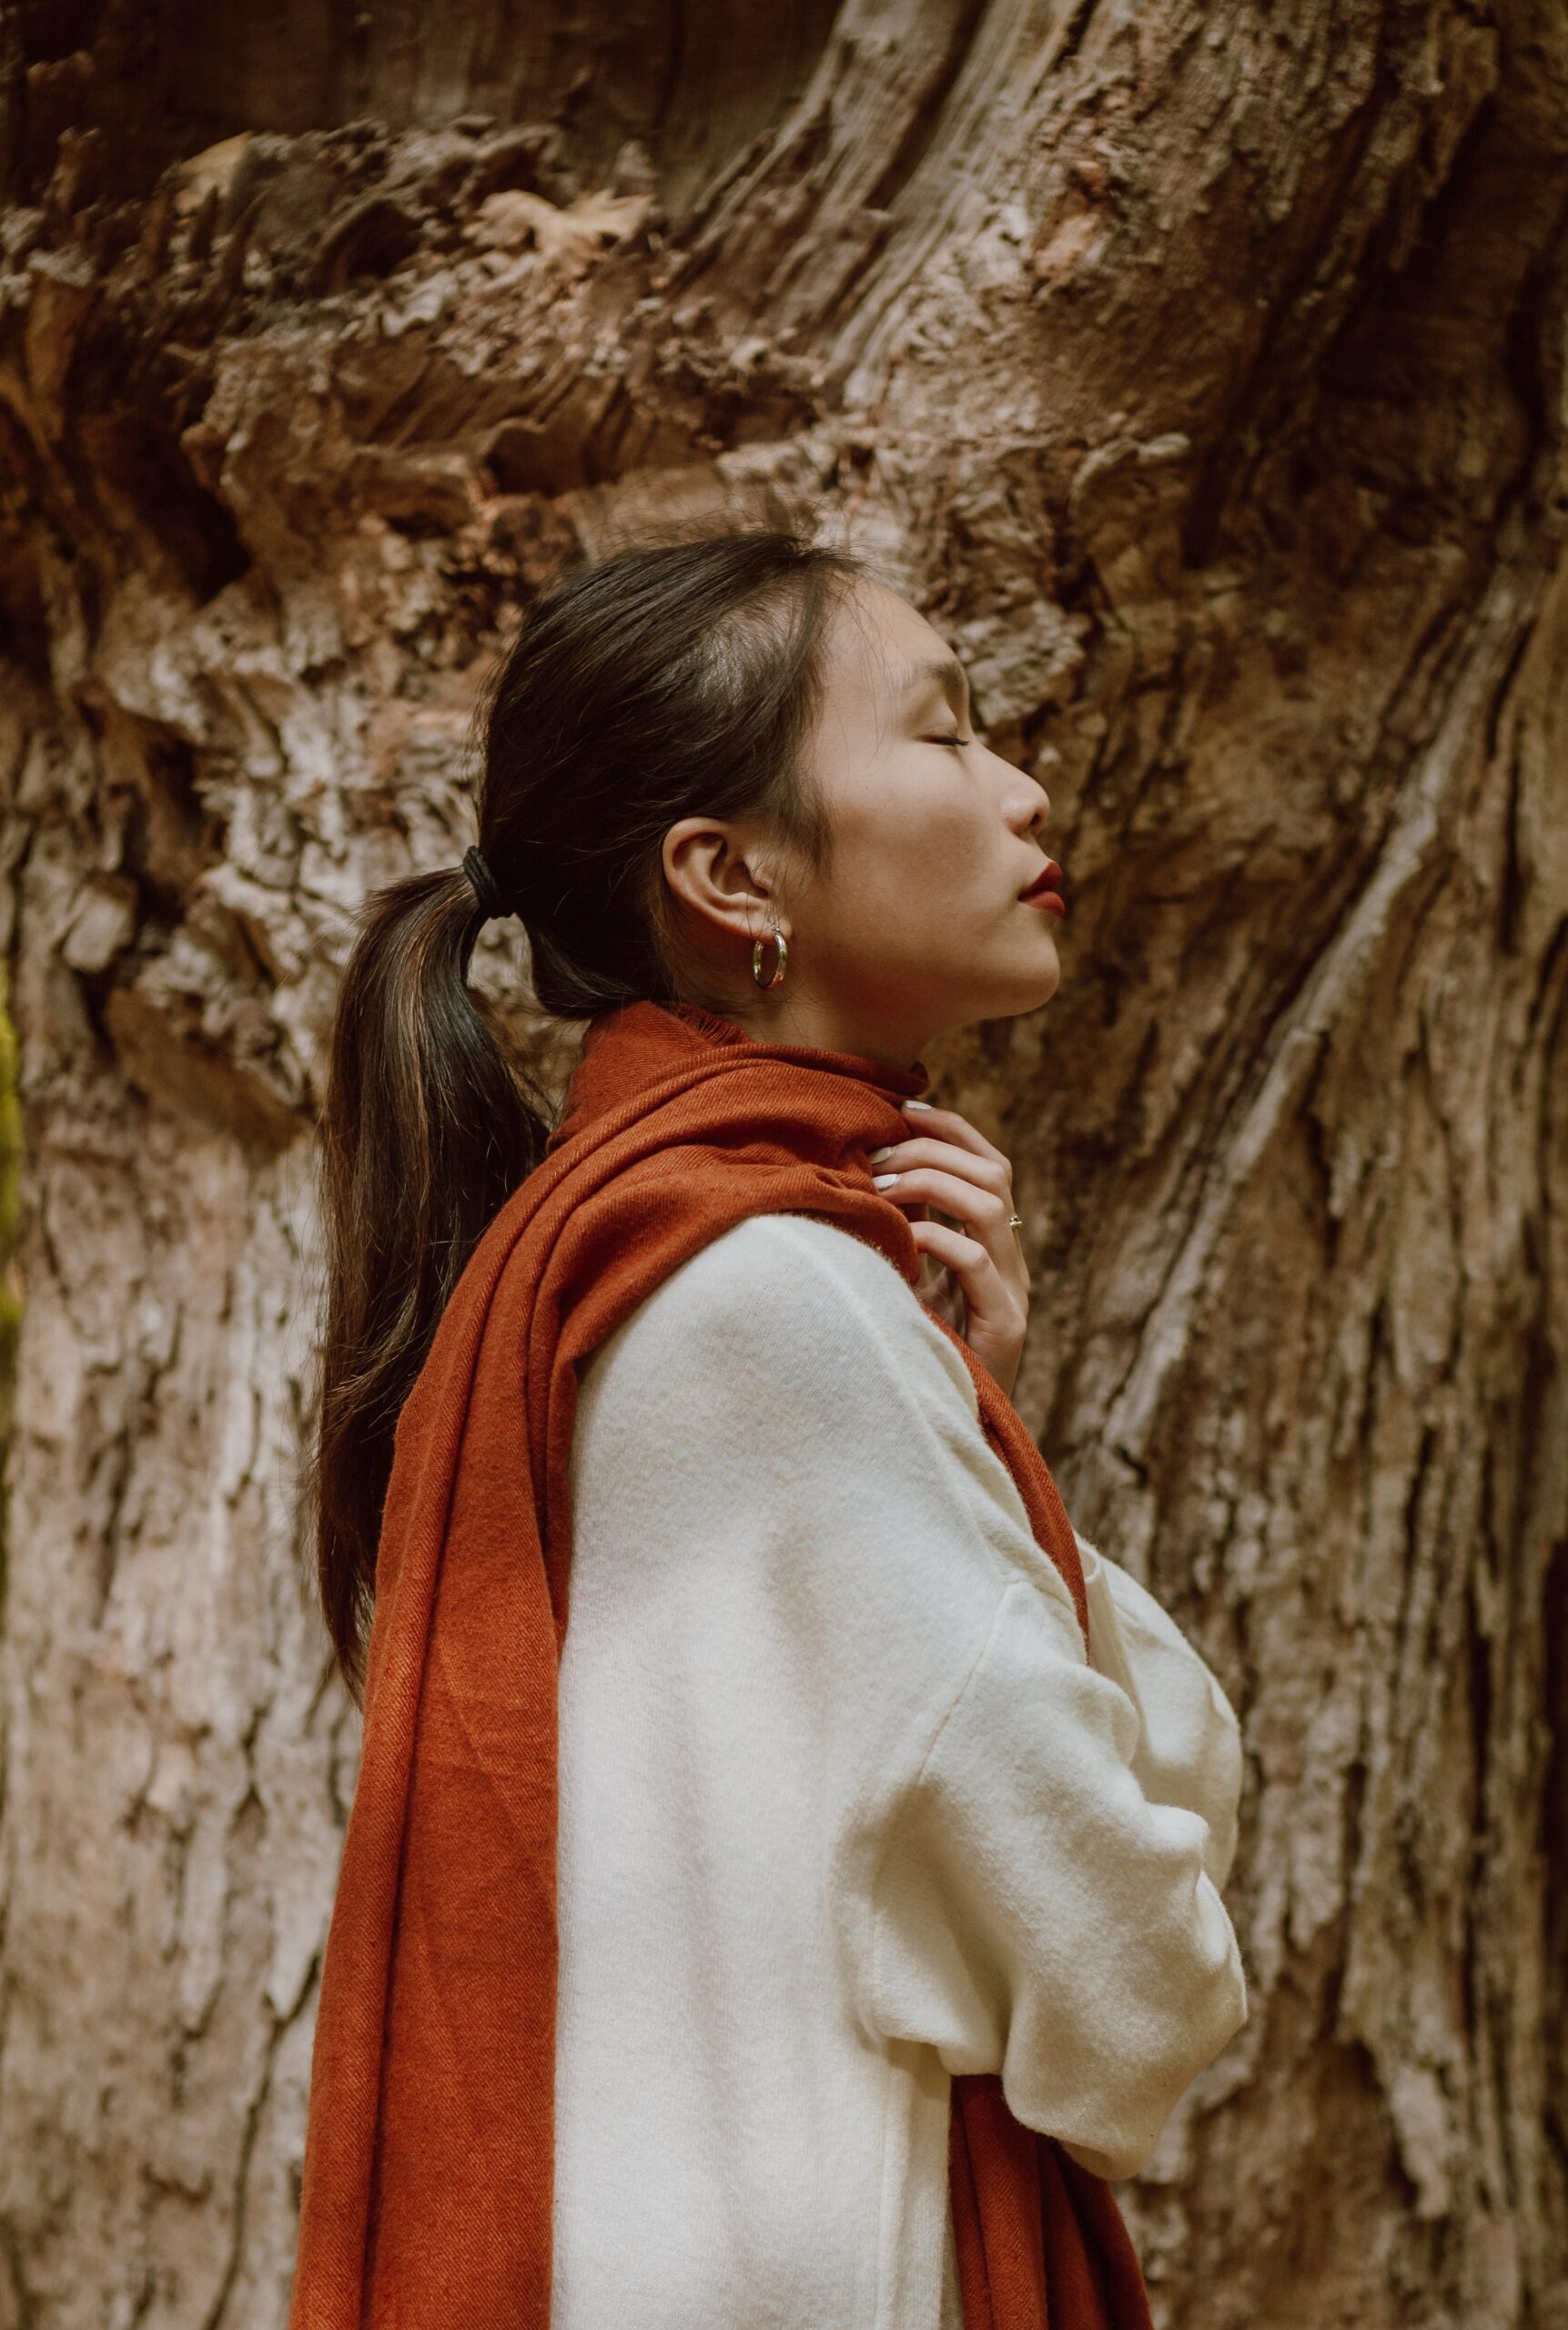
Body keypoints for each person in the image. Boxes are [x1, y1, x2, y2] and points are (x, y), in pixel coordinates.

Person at [298, 531, 1248, 2330]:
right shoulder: (778, 1301)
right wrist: (931, 1414)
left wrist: (971, 1412)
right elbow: (1126, 1981)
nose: (1024, 783)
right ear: (731, 874)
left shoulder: (647, 1262)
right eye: (946, 732)